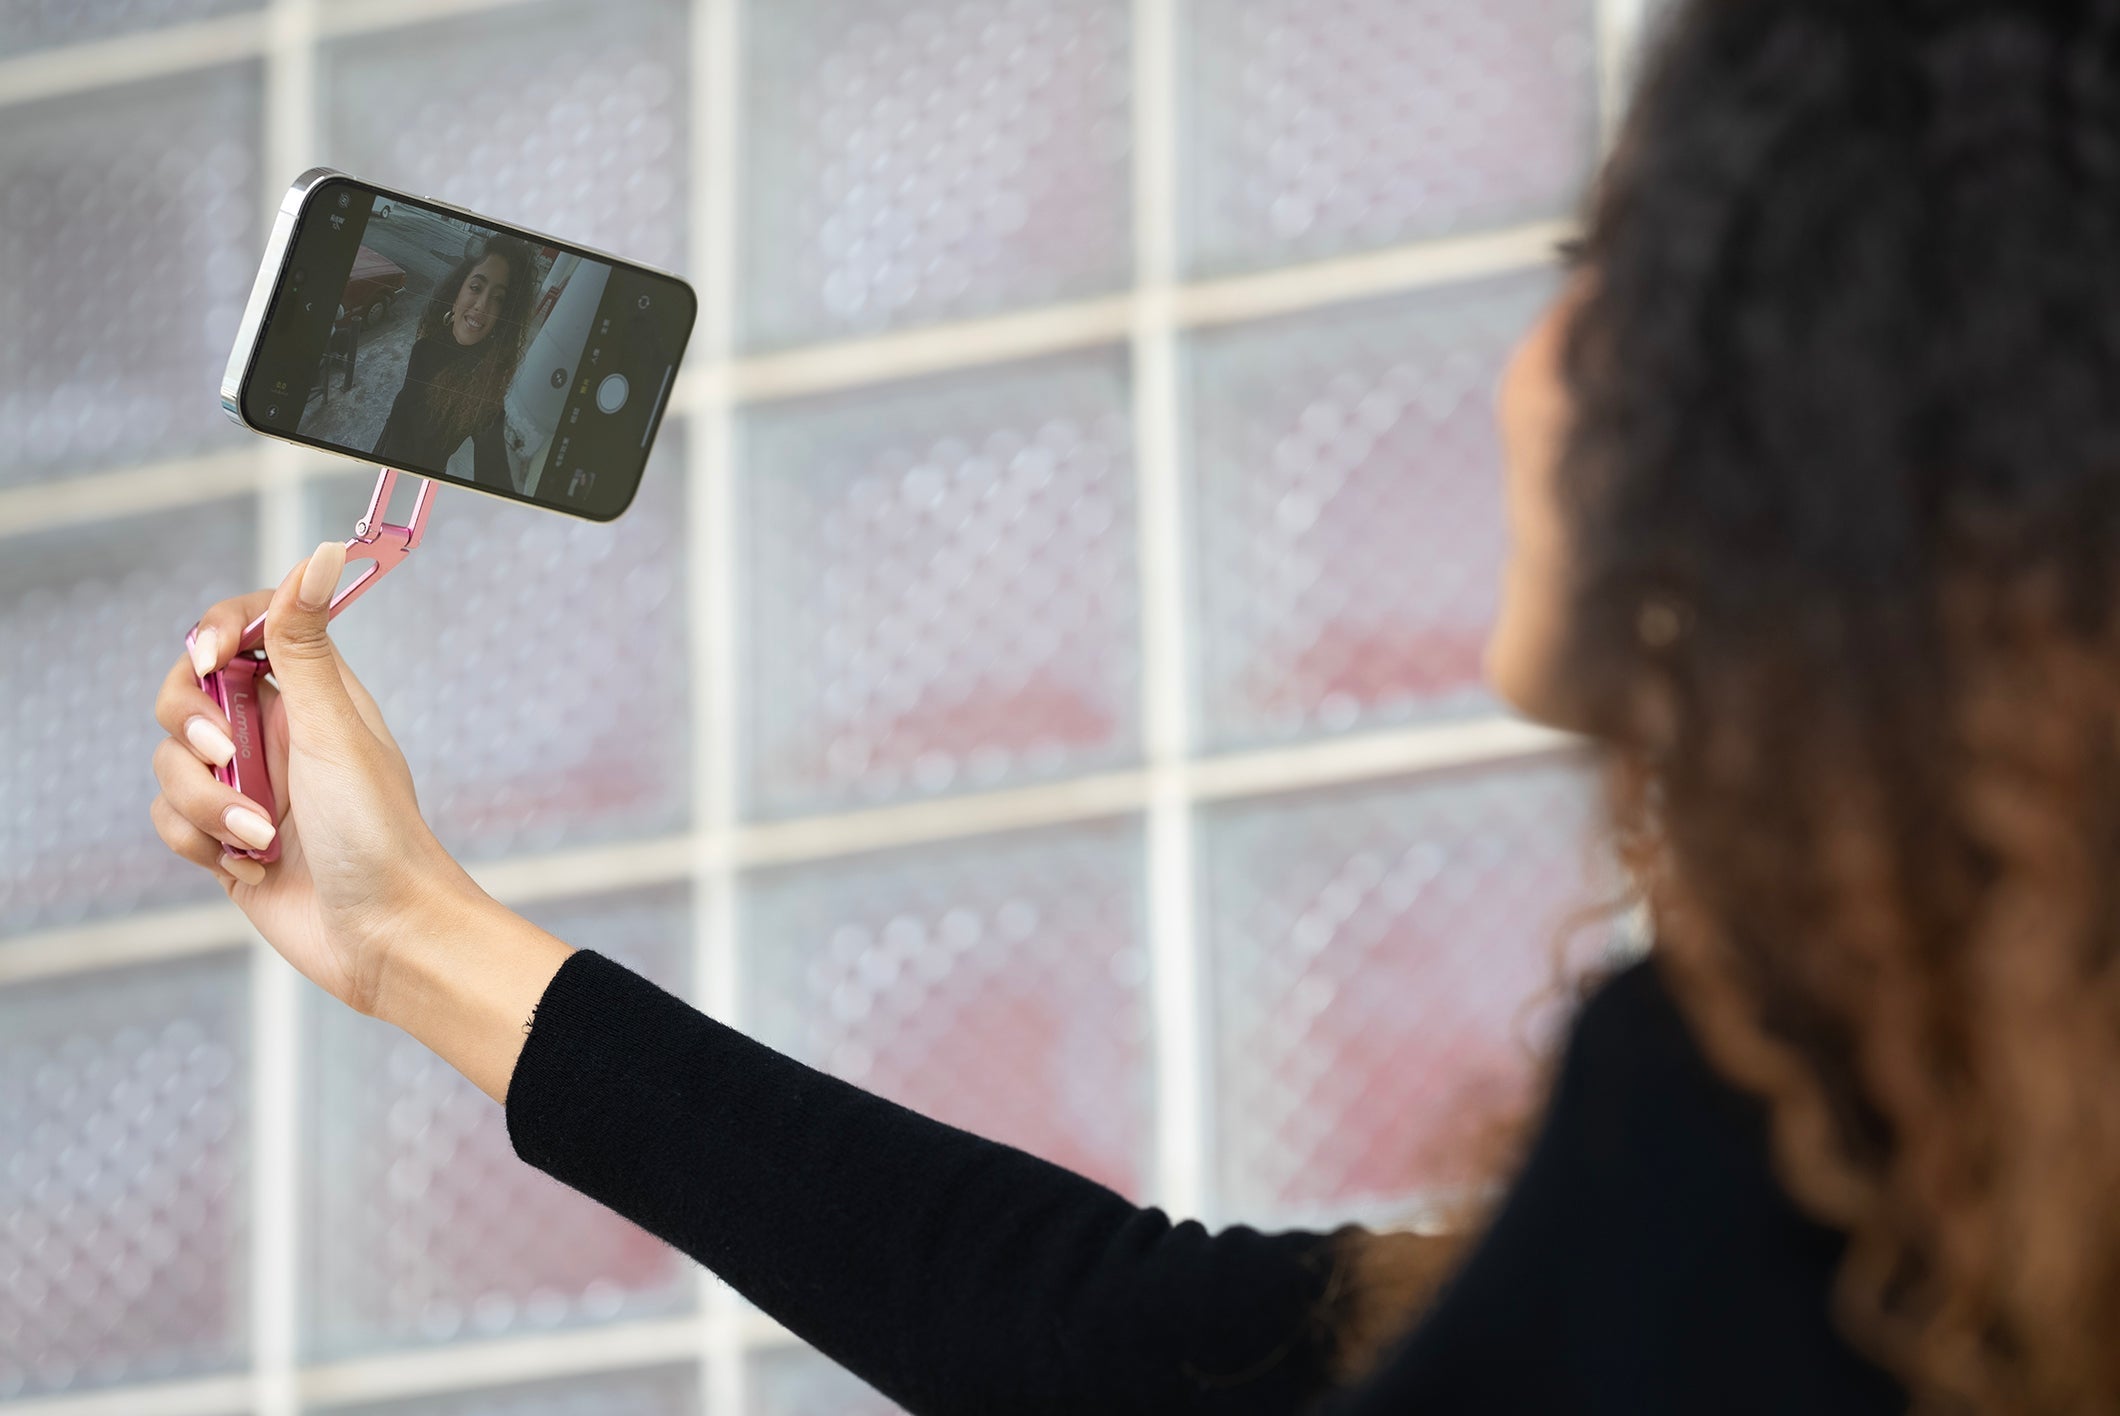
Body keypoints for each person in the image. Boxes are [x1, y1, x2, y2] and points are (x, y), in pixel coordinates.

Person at [149, 1, 2120, 1409]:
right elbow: (1140, 1341)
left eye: (1599, 272)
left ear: (1802, 408)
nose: (1531, 362)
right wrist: (410, 932)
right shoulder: (1935, 1164)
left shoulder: (1735, 1144)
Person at [372, 233, 536, 492]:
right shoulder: (427, 347)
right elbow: (400, 423)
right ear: (457, 291)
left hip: (413, 492)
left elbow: (493, 467)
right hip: (378, 468)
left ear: (504, 317)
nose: (482, 305)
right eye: (476, 287)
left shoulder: (485, 384)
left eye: (498, 298)